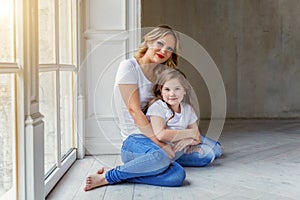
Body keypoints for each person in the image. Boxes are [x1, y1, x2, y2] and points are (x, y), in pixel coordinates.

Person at [84, 25, 220, 191]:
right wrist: (161, 145)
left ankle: (147, 164)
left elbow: (175, 105)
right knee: (176, 175)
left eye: (169, 48)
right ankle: (111, 175)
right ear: (148, 41)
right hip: (137, 139)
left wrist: (185, 137)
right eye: (160, 43)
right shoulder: (129, 67)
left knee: (213, 151)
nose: (164, 50)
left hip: (163, 132)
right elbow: (135, 111)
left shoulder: (162, 73)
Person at [144, 68, 222, 166]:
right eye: (167, 89)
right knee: (209, 155)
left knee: (217, 150)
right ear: (161, 91)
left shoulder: (187, 108)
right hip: (171, 149)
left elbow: (197, 136)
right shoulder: (157, 107)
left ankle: (215, 145)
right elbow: (161, 135)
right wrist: (190, 133)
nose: (172, 94)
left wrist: (189, 140)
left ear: (184, 90)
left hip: (186, 141)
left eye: (177, 88)